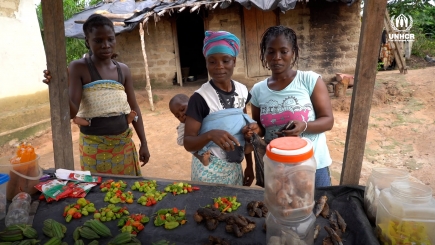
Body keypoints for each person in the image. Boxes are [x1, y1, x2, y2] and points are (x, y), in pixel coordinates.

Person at [43, 14, 150, 175]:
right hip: (94, 148)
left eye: (110, 39)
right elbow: (72, 112)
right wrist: (59, 87)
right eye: (98, 41)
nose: (106, 45)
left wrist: (144, 142)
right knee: (99, 194)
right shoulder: (79, 68)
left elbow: (134, 108)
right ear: (87, 41)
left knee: (127, 193)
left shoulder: (123, 70)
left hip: (123, 145)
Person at [248, 25, 334, 187]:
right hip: (277, 167)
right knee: (281, 210)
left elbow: (328, 121)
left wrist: (304, 126)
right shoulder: (258, 90)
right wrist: (254, 129)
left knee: (321, 208)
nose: (277, 57)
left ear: (293, 52)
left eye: (283, 51)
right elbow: (260, 128)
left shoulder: (309, 80)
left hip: (312, 164)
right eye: (271, 51)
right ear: (264, 53)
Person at [183, 31, 258, 186]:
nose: (219, 67)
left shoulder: (242, 91)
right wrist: (210, 135)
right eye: (212, 62)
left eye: (226, 60)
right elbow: (188, 142)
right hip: (207, 169)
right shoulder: (200, 98)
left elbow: (245, 131)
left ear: (234, 61)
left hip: (234, 165)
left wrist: (249, 166)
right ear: (206, 63)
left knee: (233, 206)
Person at [169, 94, 212, 166]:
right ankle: (202, 158)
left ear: (192, 104)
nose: (181, 115)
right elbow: (180, 141)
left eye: (182, 109)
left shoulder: (201, 111)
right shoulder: (183, 125)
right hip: (195, 144)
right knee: (191, 147)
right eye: (178, 116)